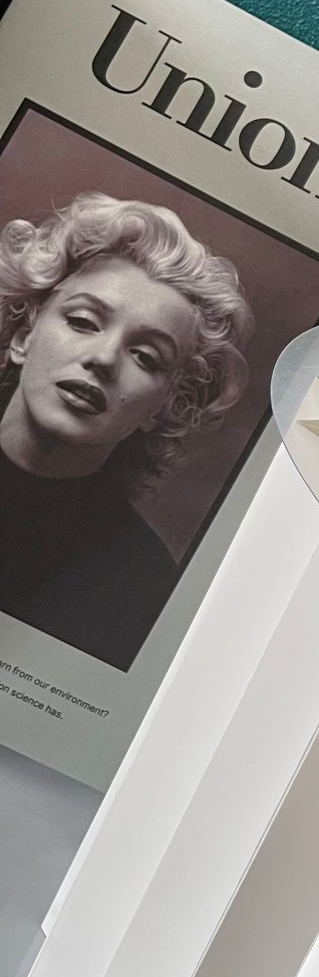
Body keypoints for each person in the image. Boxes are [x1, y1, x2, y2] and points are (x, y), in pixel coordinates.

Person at [0, 192, 253, 670]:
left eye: (146, 357)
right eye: (83, 321)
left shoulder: (144, 588)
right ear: (23, 336)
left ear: (166, 406)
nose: (103, 358)